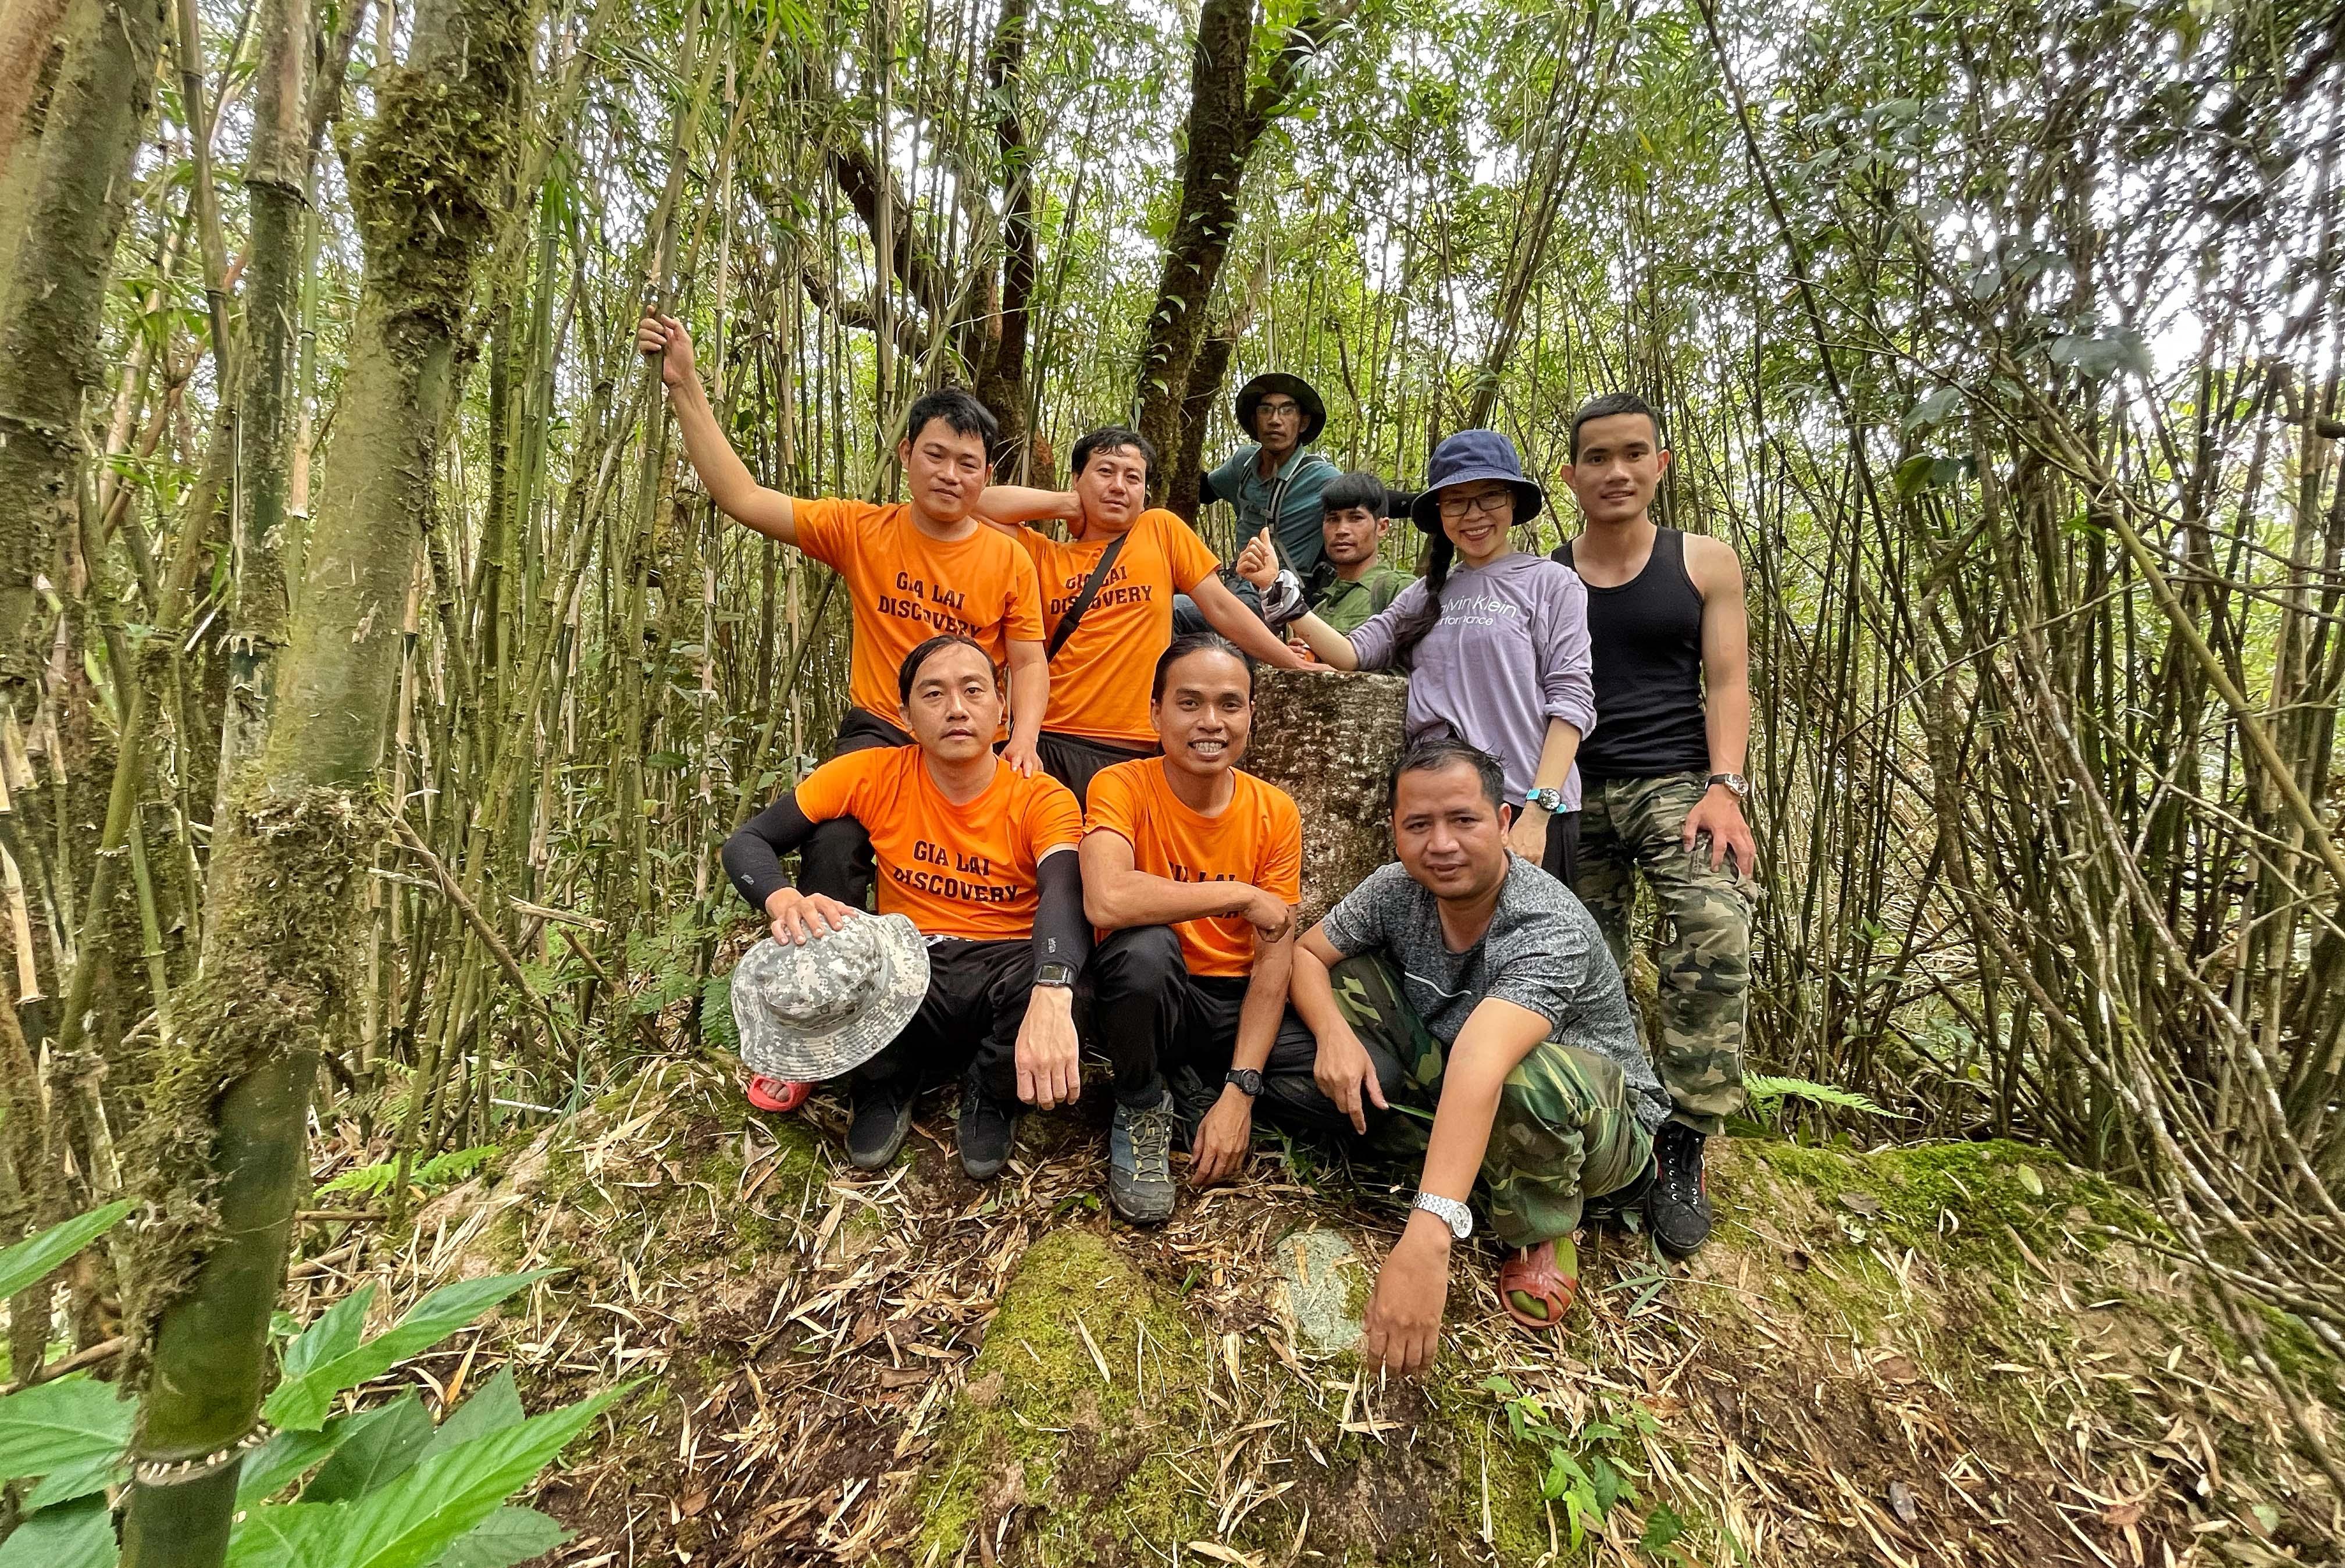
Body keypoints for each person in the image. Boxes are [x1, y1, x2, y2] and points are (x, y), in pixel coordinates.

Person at [639, 313, 1047, 920]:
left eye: (968, 463)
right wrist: (684, 385)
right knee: (831, 843)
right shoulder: (863, 530)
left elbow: (1027, 658)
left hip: (972, 734)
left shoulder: (1010, 558)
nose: (950, 474)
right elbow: (744, 497)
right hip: (881, 727)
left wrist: (1024, 739)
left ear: (987, 475)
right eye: (935, 455)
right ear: (907, 454)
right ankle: (835, 988)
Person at [1277, 737, 1667, 1373]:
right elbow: (1306, 953)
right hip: (1463, 1071)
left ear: (1504, 823)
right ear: (1396, 832)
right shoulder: (1395, 890)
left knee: (1524, 1079)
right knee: (1351, 979)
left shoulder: (1546, 921)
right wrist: (1334, 1035)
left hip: (1597, 1121)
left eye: (1464, 820)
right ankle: (1460, 1162)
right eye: (1419, 824)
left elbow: (1485, 1058)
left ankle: (1541, 1223)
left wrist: (1428, 1235)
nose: (1442, 843)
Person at [721, 636, 1086, 1181]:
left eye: (973, 691)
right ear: (905, 715)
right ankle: (884, 1080)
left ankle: (992, 1088)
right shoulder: (872, 773)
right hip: (911, 964)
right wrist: (784, 899)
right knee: (855, 946)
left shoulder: (1041, 797)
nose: (956, 709)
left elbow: (1063, 893)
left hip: (1003, 968)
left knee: (1073, 978)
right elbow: (747, 843)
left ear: (1002, 708)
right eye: (933, 694)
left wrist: (1054, 988)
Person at [1552, 392, 1755, 1257]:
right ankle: (1613, 1128)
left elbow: (1729, 680)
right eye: (1597, 458)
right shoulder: (1548, 573)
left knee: (1715, 928)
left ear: (1661, 464)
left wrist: (1726, 785)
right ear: (1571, 476)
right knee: (1580, 959)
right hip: (1572, 786)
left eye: (1634, 454)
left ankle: (1685, 1136)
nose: (1617, 472)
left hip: (1678, 784)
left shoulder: (1704, 562)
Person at [1284, 429, 1595, 888]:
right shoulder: (1426, 592)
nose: (1473, 515)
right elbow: (1353, 653)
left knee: (1529, 955)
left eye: (1489, 496)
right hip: (1440, 813)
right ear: (1439, 513)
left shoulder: (1552, 582)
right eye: (1456, 502)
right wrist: (1283, 597)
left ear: (1512, 502)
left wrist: (1538, 812)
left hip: (1521, 809)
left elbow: (1571, 700)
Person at [1077, 634, 1302, 1224]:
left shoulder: (1275, 811)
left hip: (1232, 1004)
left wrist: (1242, 1088)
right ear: (1155, 712)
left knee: (1359, 1082)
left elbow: (1275, 956)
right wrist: (1239, 893)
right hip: (1156, 997)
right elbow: (1107, 897)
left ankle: (1212, 1097)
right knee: (1142, 952)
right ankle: (1143, 1101)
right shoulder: (1120, 785)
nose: (1211, 721)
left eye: (1231, 704)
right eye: (1189, 702)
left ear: (1252, 713)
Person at [971, 427, 1316, 804]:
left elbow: (1222, 608)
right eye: (1105, 472)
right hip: (1052, 741)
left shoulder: (1159, 531)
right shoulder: (1043, 555)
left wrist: (1291, 664)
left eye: (1132, 477)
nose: (1119, 486)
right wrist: (1068, 505)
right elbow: (975, 503)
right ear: (1076, 480)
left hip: (1138, 750)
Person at [1233, 468, 1414, 637]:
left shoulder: (1400, 589)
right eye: (1333, 519)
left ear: (1382, 527)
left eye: (1356, 518)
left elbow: (1419, 667)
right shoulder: (1320, 607)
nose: (1342, 530)